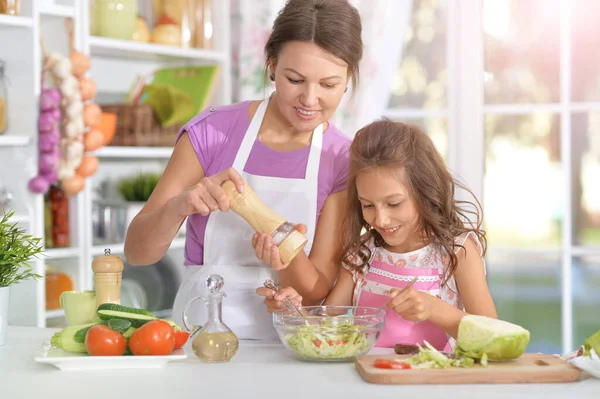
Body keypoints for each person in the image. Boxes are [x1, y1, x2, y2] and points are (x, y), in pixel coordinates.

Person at [123, 0, 363, 341]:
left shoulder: (342, 158)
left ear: (348, 79)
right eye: (295, 79)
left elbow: (313, 293)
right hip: (202, 334)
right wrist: (181, 205)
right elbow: (137, 252)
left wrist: (283, 258)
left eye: (328, 85)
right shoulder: (212, 131)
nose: (310, 99)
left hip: (287, 344)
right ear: (272, 64)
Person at [257, 120, 498, 351]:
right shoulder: (363, 252)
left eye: (394, 203)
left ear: (426, 192)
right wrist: (293, 311)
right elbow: (326, 326)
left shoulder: (457, 251)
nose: (380, 220)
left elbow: (494, 337)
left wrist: (435, 310)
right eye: (368, 205)